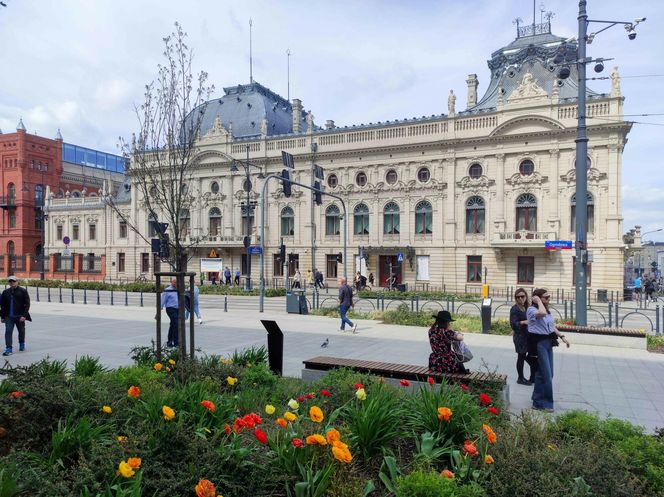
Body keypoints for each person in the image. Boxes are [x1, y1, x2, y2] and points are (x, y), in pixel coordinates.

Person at [527, 288, 570, 412]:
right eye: (546, 297)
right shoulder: (531, 310)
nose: (548, 299)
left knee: (548, 373)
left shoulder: (546, 310)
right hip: (538, 344)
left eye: (548, 297)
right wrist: (539, 302)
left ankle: (536, 400)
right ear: (538, 298)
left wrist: (562, 337)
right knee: (546, 374)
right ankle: (545, 403)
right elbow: (542, 314)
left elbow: (551, 326)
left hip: (548, 343)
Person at [510, 288, 535, 385]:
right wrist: (523, 322)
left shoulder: (528, 306)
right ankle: (520, 378)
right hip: (519, 337)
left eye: (522, 296)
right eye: (518, 297)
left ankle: (533, 376)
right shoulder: (515, 309)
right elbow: (513, 324)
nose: (520, 298)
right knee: (521, 357)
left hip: (528, 335)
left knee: (530, 357)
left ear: (526, 296)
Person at [1, 276, 32, 356]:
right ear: (8, 283)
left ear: (17, 282)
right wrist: (2, 317)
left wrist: (24, 316)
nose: (12, 283)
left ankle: (21, 343)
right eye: (10, 281)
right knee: (8, 331)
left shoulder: (23, 291)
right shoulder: (5, 292)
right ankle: (9, 348)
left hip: (20, 316)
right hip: (9, 316)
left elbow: (27, 304)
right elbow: (3, 305)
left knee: (21, 331)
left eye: (13, 281)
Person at [161, 277, 179, 347]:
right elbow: (163, 300)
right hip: (170, 309)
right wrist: (159, 309)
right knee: (176, 324)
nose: (176, 284)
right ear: (172, 282)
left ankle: (169, 342)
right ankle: (176, 342)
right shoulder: (167, 290)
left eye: (177, 282)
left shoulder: (178, 289)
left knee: (173, 325)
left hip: (178, 309)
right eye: (174, 282)